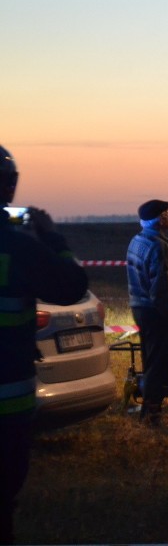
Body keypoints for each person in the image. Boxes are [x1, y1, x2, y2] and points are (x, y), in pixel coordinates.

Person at [0, 145, 88, 544]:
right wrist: (52, 238)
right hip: (8, 402)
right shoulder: (15, 248)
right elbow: (71, 286)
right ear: (9, 186)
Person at [126, 199, 168, 425]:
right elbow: (161, 286)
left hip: (140, 308)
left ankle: (148, 410)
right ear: (160, 218)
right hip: (156, 311)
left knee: (151, 359)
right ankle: (152, 413)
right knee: (161, 362)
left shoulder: (137, 240)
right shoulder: (158, 246)